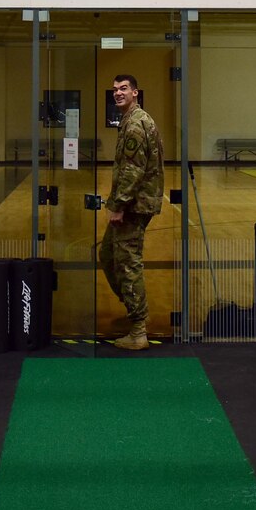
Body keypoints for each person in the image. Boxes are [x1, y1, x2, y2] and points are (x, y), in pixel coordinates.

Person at [100, 73, 163, 351]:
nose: (118, 93)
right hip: (133, 201)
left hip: (134, 205)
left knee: (127, 262)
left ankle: (138, 328)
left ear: (136, 92)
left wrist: (119, 205)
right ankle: (133, 308)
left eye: (124, 89)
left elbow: (133, 170)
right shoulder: (131, 120)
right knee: (108, 254)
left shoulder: (136, 124)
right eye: (115, 89)